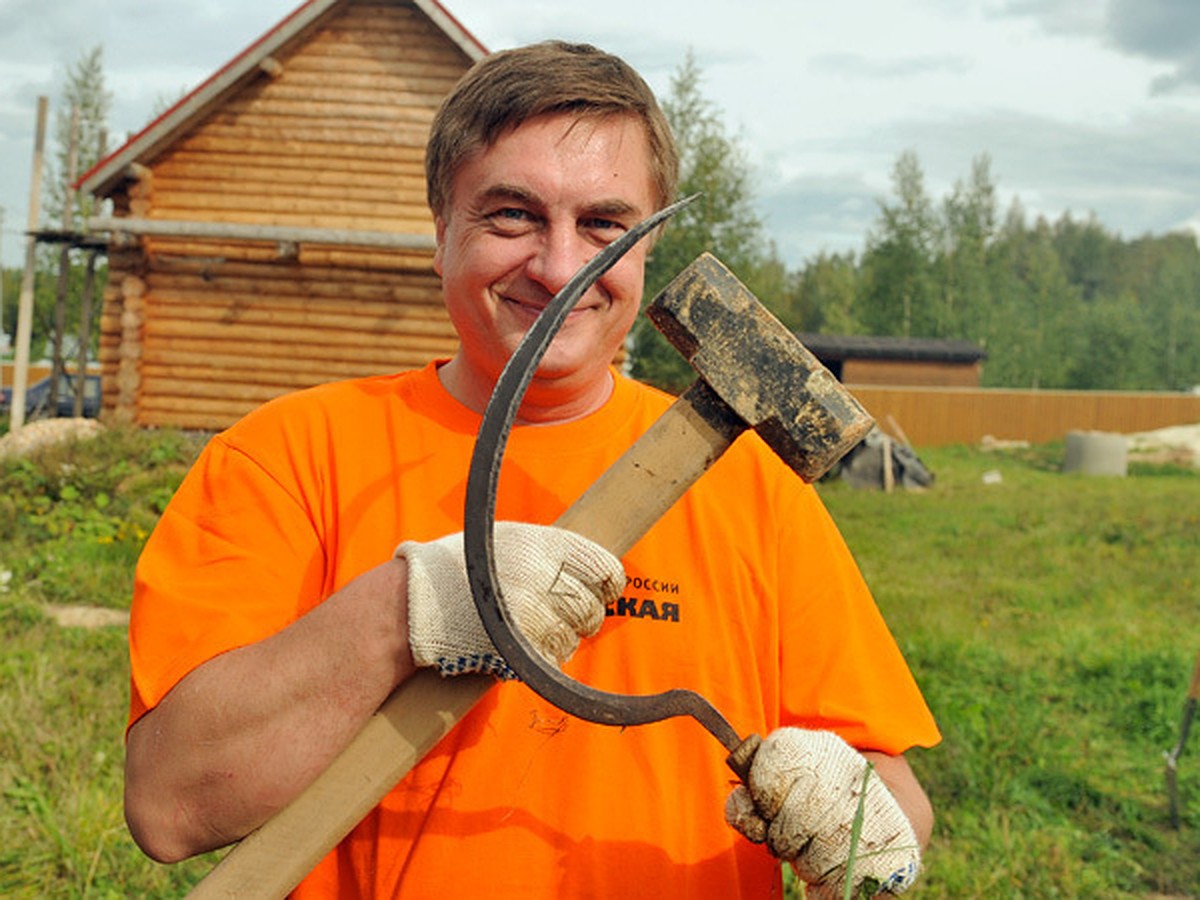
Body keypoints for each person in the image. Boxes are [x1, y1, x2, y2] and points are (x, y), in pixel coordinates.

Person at [123, 40, 940, 898]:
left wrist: (862, 823)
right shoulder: (289, 458)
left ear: (647, 248)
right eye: (511, 215)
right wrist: (410, 610)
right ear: (441, 233)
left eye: (603, 224)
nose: (558, 268)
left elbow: (892, 797)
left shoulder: (753, 487)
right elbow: (171, 804)